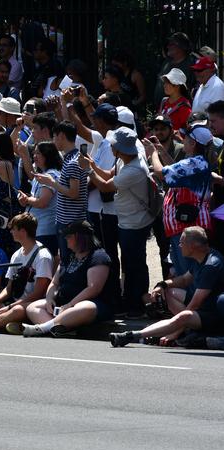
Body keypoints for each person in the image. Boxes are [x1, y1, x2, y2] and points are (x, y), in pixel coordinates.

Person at [111, 227, 224, 347]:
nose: (179, 245)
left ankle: (133, 335)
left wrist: (176, 332)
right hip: (205, 306)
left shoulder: (211, 265)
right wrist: (162, 285)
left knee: (184, 316)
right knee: (167, 291)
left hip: (214, 314)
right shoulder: (201, 257)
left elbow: (195, 304)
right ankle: (181, 327)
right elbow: (184, 279)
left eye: (182, 242)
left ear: (193, 246)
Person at [84, 127, 154, 316]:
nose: (110, 146)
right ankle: (131, 301)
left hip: (134, 222)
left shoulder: (135, 169)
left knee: (134, 264)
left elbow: (106, 187)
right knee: (129, 262)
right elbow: (108, 174)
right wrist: (92, 165)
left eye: (113, 144)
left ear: (119, 148)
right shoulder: (126, 160)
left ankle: (136, 305)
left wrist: (88, 171)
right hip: (127, 220)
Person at [144, 124, 214, 278]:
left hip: (188, 229)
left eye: (186, 138)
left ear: (193, 143)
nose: (183, 140)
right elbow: (175, 170)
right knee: (182, 273)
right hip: (183, 227)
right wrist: (161, 151)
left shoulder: (195, 163)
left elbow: (161, 173)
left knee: (188, 276)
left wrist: (154, 154)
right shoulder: (195, 162)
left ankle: (193, 302)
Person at [23, 220, 114, 337]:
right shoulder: (67, 257)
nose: (65, 238)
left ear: (79, 238)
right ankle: (59, 329)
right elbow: (54, 283)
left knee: (85, 307)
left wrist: (70, 304)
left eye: (68, 236)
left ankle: (43, 328)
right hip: (64, 303)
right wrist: (49, 298)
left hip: (91, 304)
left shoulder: (99, 257)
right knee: (33, 307)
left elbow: (93, 288)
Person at [34, 121, 88, 260]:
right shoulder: (71, 159)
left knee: (69, 260)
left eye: (54, 136)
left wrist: (52, 183)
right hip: (67, 220)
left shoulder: (72, 162)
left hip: (70, 222)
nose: (53, 140)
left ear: (62, 136)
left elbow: (74, 193)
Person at [17, 141, 61, 255]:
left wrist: (26, 199)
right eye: (34, 153)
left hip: (45, 230)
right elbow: (32, 177)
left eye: (38, 153)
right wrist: (25, 199)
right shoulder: (43, 174)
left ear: (48, 155)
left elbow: (42, 202)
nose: (34, 156)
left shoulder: (50, 175)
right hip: (37, 229)